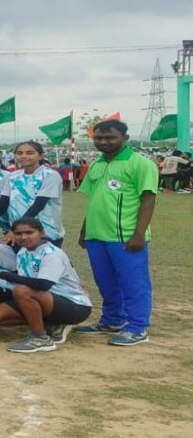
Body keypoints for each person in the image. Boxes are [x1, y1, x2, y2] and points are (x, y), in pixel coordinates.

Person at [74, 120, 158, 346]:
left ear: (125, 138)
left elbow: (148, 201)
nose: (104, 142)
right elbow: (95, 200)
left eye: (110, 137)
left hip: (125, 236)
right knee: (105, 282)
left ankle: (137, 327)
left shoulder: (140, 163)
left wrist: (139, 234)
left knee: (134, 283)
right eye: (99, 138)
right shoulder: (96, 164)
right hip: (96, 235)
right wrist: (85, 230)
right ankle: (112, 320)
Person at [0, 218, 93, 353]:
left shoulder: (51, 253)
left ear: (42, 233)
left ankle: (40, 338)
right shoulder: (23, 252)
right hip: (41, 299)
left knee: (22, 291)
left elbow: (43, 284)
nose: (23, 237)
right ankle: (51, 323)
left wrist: (3, 274)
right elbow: (23, 276)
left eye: (29, 232)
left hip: (73, 305)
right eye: (18, 234)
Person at [0, 141, 65, 247]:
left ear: (40, 156)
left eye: (30, 153)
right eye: (19, 153)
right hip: (18, 234)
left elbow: (39, 205)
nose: (24, 156)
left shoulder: (50, 175)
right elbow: (3, 202)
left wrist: (16, 229)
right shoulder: (12, 177)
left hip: (45, 233)